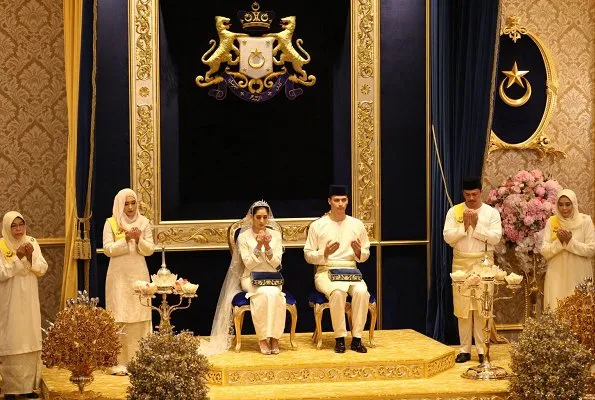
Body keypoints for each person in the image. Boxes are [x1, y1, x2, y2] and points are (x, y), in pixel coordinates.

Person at [304, 185, 371, 353]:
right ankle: (340, 338)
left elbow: (366, 252)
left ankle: (357, 338)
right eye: (336, 200)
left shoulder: (357, 224)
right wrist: (324, 253)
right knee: (337, 292)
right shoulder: (318, 225)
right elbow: (308, 255)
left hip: (351, 271)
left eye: (343, 200)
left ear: (347, 201)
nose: (340, 204)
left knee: (362, 292)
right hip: (326, 271)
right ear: (329, 201)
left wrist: (358, 252)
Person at [443, 177, 502, 364]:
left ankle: (483, 349)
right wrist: (464, 227)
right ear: (463, 194)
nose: (471, 198)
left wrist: (476, 227)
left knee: (482, 308)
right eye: (467, 195)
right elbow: (447, 237)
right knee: (463, 309)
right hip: (461, 264)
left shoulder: (491, 213)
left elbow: (495, 238)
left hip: (483, 264)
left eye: (474, 194)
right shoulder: (455, 211)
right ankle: (464, 350)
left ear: (480, 192)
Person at [103, 188, 155, 375]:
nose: (131, 207)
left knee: (140, 316)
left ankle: (141, 361)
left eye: (133, 203)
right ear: (119, 204)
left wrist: (139, 238)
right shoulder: (111, 223)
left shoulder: (144, 222)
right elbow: (108, 249)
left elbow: (149, 250)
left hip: (139, 273)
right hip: (118, 277)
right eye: (126, 203)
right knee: (120, 316)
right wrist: (125, 239)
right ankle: (119, 363)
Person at [0, 211, 48, 400]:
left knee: (29, 337)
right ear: (7, 227)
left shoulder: (32, 241)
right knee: (13, 339)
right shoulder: (1, 245)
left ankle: (28, 387)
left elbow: (42, 268)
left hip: (29, 299)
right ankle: (11, 388)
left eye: (21, 225)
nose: (19, 229)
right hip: (10, 300)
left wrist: (30, 257)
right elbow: (2, 273)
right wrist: (17, 258)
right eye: (14, 226)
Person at [541, 189, 595, 310]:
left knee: (579, 312)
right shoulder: (552, 221)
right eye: (560, 204)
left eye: (568, 204)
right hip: (556, 274)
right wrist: (559, 242)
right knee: (556, 309)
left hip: (579, 273)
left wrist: (570, 242)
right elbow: (545, 251)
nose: (564, 208)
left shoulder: (585, 221)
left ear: (574, 204)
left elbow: (591, 249)